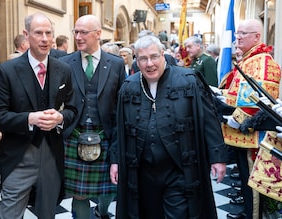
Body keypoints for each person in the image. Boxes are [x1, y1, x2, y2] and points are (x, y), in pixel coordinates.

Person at [110, 35, 227, 219]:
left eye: (154, 56)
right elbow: (120, 128)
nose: (149, 64)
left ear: (163, 55)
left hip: (179, 170)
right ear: (137, 61)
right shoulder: (129, 87)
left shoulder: (188, 80)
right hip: (142, 171)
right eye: (143, 59)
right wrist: (115, 160)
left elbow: (209, 120)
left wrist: (217, 157)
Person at [0, 13, 77, 219]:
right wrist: (30, 119)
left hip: (51, 154)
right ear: (26, 35)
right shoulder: (8, 70)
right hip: (19, 154)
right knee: (10, 214)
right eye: (39, 33)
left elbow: (73, 110)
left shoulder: (64, 69)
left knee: (48, 213)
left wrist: (60, 118)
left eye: (49, 33)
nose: (45, 38)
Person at [59, 14, 125, 219]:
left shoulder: (116, 63)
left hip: (106, 134)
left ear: (98, 34)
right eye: (75, 32)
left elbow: (122, 102)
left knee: (109, 188)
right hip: (74, 134)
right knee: (79, 194)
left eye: (83, 32)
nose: (78, 36)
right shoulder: (64, 62)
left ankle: (102, 212)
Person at [219, 19, 281, 219]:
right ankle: (248, 212)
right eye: (237, 33)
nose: (237, 37)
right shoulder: (249, 59)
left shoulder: (262, 62)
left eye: (243, 33)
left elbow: (255, 101)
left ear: (257, 36)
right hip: (243, 135)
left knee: (253, 183)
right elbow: (239, 93)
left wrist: (234, 119)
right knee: (245, 179)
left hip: (254, 136)